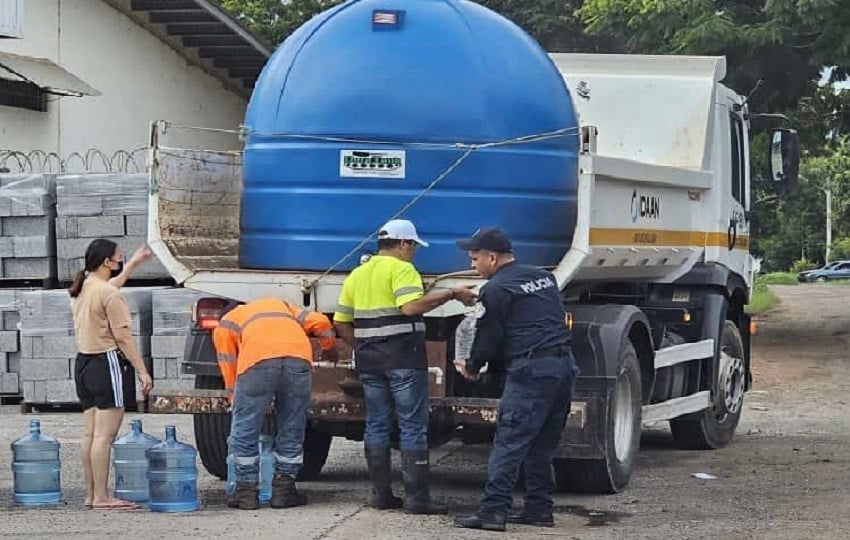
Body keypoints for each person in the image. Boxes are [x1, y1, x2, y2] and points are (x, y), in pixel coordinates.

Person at [333, 219, 477, 514]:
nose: (414, 252)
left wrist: (361, 346)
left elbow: (340, 321)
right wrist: (452, 294)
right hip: (403, 359)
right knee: (412, 425)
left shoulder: (357, 274)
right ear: (403, 244)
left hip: (371, 361)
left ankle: (381, 496)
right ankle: (417, 499)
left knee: (376, 424)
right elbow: (410, 307)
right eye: (413, 246)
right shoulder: (402, 269)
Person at [452, 228, 579, 532]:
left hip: (531, 372)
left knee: (509, 442)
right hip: (563, 367)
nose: (474, 266)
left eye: (475, 259)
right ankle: (539, 509)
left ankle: (493, 512)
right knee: (542, 445)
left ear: (492, 258)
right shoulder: (544, 278)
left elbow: (489, 336)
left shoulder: (496, 290)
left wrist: (472, 366)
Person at [212, 296, 339, 510]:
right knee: (292, 425)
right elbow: (322, 323)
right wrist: (328, 346)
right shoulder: (281, 306)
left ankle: (245, 493)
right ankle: (284, 491)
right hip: (298, 360)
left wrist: (234, 396)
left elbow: (228, 364)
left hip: (257, 362)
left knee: (246, 427)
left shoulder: (226, 323)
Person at [69, 239, 155, 510]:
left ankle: (91, 494)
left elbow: (111, 286)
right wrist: (143, 371)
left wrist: (133, 264)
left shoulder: (82, 288)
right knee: (105, 437)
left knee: (90, 434)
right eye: (118, 259)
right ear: (107, 262)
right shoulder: (109, 294)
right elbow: (124, 337)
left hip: (83, 363)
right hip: (106, 364)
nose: (120, 262)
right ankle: (103, 497)